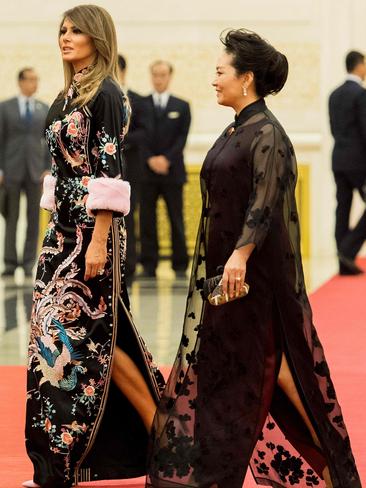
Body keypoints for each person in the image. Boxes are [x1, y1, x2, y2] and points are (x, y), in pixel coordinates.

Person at [147, 29, 361, 488]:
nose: (214, 80)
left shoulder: (268, 133)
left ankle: (331, 471)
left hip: (253, 282)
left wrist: (241, 255)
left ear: (246, 79)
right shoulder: (236, 128)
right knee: (233, 375)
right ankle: (214, 471)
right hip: (226, 283)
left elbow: (264, 203)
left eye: (220, 72)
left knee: (272, 374)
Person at [24, 6, 164, 488]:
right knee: (63, 341)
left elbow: (107, 171)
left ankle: (160, 436)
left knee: (91, 338)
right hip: (59, 234)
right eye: (62, 29)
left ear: (97, 37)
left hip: (91, 236)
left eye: (76, 30)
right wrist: (52, 228)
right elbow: (60, 169)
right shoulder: (66, 95)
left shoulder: (106, 95)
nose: (65, 37)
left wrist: (99, 240)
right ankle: (54, 465)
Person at [140, 60, 191, 278]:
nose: (159, 78)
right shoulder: (140, 104)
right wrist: (150, 159)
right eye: (155, 74)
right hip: (146, 172)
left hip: (173, 172)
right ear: (151, 76)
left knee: (175, 218)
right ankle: (149, 264)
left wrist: (166, 159)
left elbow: (182, 138)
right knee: (147, 220)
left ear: (170, 76)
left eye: (163, 74)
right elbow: (138, 136)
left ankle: (180, 264)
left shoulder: (182, 106)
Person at [0, 68, 50, 278]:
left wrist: (47, 167)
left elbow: (49, 142)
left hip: (35, 171)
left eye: (36, 79)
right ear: (20, 82)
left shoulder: (43, 108)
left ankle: (29, 262)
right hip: (11, 169)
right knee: (11, 217)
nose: (34, 83)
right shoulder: (5, 108)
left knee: (33, 218)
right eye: (30, 80)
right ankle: (10, 263)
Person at [329, 50, 366, 275]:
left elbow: (334, 129)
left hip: (338, 160)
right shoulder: (361, 94)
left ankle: (343, 259)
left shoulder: (333, 95)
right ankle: (348, 249)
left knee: (342, 208)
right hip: (358, 163)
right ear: (359, 66)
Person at [117, 54, 148, 285]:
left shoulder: (137, 100)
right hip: (108, 169)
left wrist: (119, 140)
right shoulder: (101, 97)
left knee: (129, 216)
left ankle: (130, 264)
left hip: (132, 166)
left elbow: (143, 132)